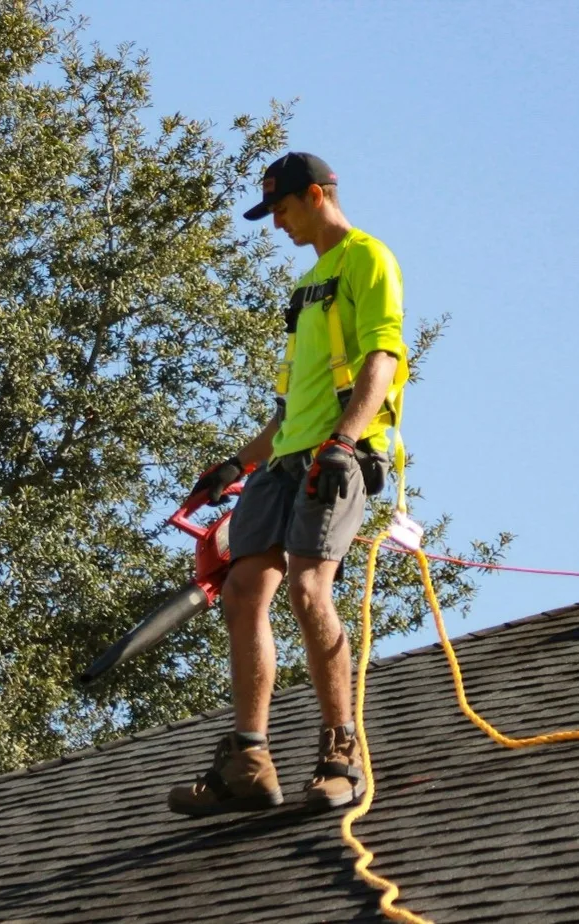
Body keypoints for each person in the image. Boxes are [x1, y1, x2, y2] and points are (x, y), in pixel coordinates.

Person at [168, 152, 407, 816]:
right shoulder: (307, 288)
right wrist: (234, 466)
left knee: (308, 589)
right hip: (284, 461)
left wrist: (346, 442)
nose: (275, 224)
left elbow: (381, 359)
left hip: (337, 457)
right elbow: (286, 413)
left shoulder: (367, 259)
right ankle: (249, 759)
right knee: (243, 590)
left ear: (318, 195)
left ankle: (342, 754)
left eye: (281, 208)